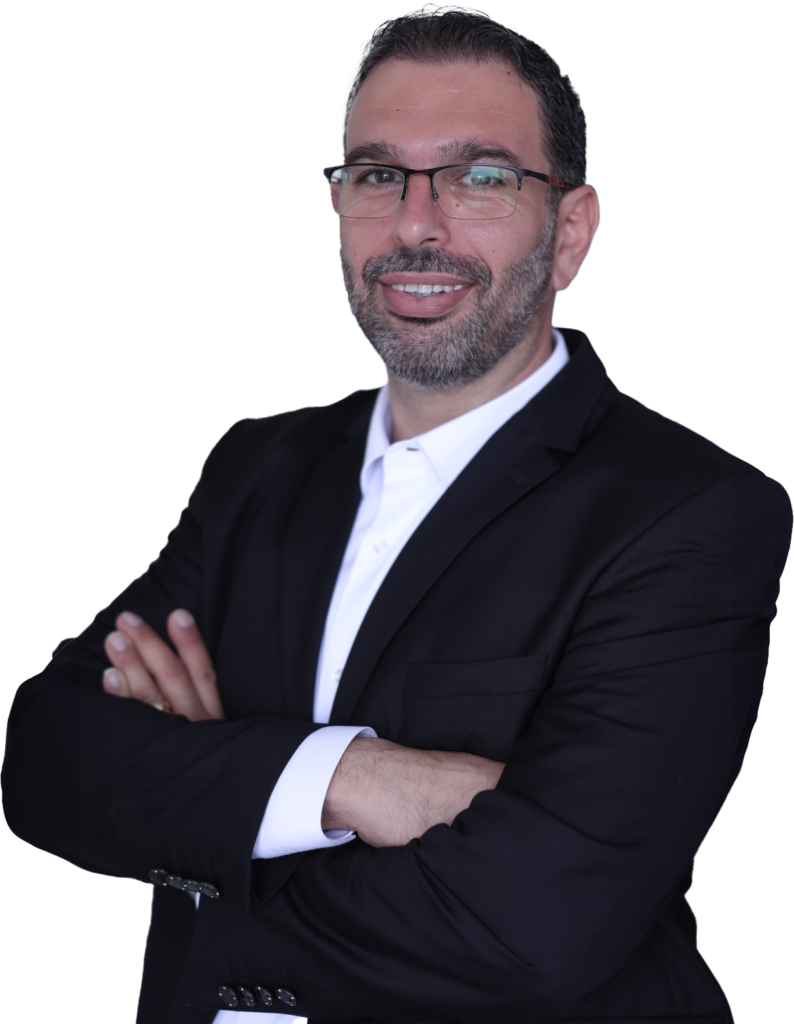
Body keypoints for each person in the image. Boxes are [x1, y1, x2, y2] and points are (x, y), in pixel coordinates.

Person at [3, 4, 791, 1023]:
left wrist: (213, 801)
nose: (416, 225)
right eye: (378, 175)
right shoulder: (259, 465)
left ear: (570, 231)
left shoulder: (688, 512)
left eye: (480, 177)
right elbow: (47, 759)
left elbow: (538, 922)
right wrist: (353, 778)